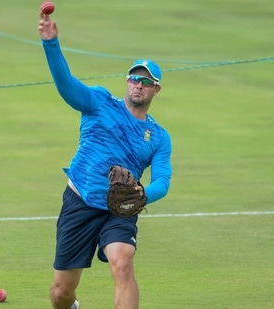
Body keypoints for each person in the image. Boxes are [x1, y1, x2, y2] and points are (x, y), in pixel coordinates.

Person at [38, 11, 172, 309]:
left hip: (120, 208)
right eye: (135, 78)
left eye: (146, 82)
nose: (139, 85)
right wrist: (51, 43)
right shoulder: (98, 102)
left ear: (156, 89)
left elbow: (163, 180)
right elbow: (66, 85)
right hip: (80, 201)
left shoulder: (159, 137)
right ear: (127, 81)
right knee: (61, 293)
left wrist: (143, 193)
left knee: (122, 263)